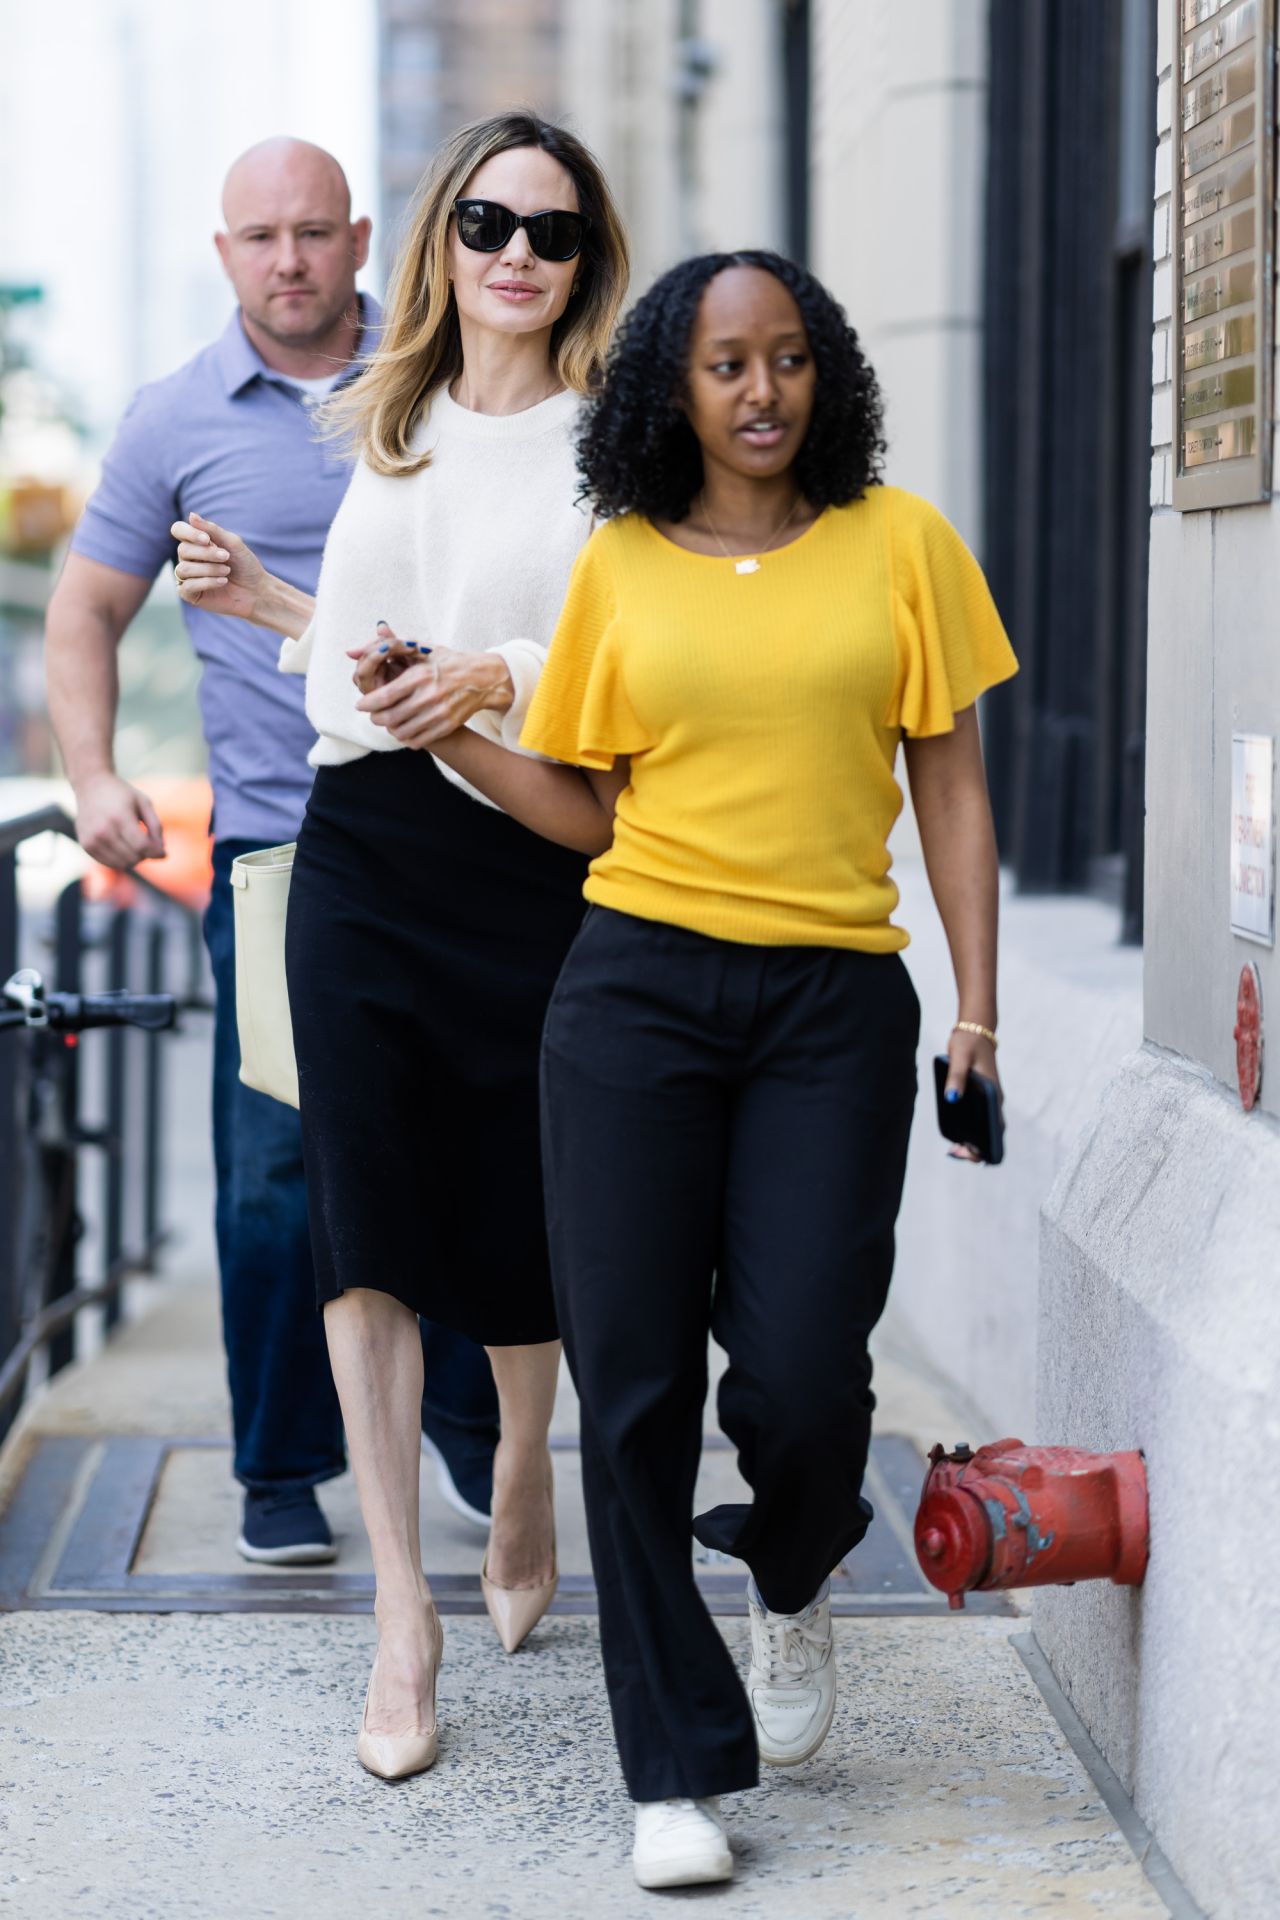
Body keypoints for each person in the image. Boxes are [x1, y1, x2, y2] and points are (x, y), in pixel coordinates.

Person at [418, 250, 1017, 1889]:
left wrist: (977, 1011)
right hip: (632, 1001)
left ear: (827, 375)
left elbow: (952, 790)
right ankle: (671, 1772)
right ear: (668, 392)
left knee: (808, 1373)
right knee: (634, 1392)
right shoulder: (616, 567)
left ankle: (796, 1565)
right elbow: (589, 809)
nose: (762, 393)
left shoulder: (902, 547)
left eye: (790, 359)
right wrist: (453, 740)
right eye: (726, 366)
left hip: (833, 1002)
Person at [172, 112, 630, 1779]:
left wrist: (488, 673)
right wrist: (305, 630)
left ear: (588, 260)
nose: (518, 251)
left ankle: (521, 1467)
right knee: (361, 1212)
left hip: (528, 853)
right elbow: (377, 639)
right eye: (490, 220)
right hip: (360, 842)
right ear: (439, 241)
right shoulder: (387, 419)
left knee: (521, 1205)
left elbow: (603, 651)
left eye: (554, 231)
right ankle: (399, 1619)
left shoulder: (613, 445)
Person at [44, 136, 501, 1567]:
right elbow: (81, 612)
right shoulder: (176, 417)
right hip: (277, 854)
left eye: (313, 231)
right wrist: (93, 773)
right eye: (261, 236)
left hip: (465, 832)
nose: (289, 258)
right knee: (278, 1170)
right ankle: (281, 1470)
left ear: (360, 237)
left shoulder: (445, 385)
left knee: (473, 1147)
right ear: (226, 250)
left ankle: (477, 1442)